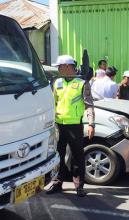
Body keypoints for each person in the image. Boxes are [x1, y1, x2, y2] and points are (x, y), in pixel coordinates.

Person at [46, 55, 95, 197]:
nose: (58, 69)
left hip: (75, 126)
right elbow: (52, 103)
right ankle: (58, 182)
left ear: (67, 66)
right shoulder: (56, 82)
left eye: (59, 66)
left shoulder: (82, 83)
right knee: (58, 155)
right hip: (59, 125)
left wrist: (91, 123)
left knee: (77, 156)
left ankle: (79, 186)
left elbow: (89, 105)